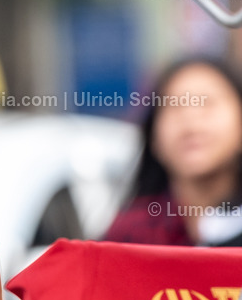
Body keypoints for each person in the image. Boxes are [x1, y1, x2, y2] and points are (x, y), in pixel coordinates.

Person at [104, 57, 242, 246]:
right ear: (153, 137)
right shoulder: (127, 238)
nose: (192, 122)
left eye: (207, 104)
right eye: (175, 106)